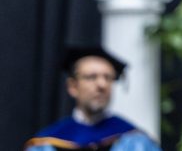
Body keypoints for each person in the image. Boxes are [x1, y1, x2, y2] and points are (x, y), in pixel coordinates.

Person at [24, 46, 160, 150]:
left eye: (108, 78)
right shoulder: (46, 143)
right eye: (91, 77)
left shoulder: (135, 142)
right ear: (73, 86)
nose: (101, 85)